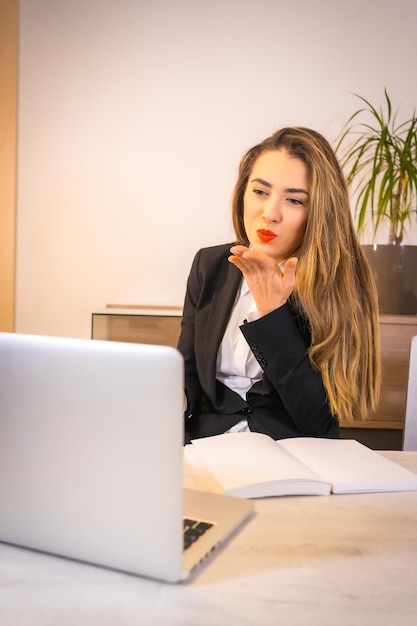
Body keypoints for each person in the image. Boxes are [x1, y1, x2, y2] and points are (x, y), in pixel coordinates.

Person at [178, 127, 381, 443]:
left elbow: (318, 421)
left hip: (290, 454)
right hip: (207, 448)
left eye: (294, 200)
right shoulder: (210, 265)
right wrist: (178, 398)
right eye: (260, 192)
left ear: (319, 212)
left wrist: (273, 314)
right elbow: (188, 372)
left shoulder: (337, 284)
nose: (270, 213)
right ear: (242, 192)